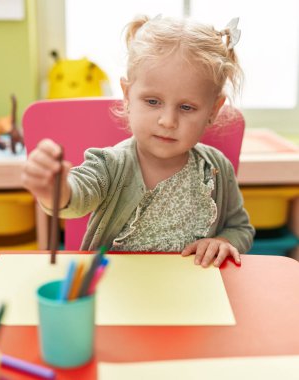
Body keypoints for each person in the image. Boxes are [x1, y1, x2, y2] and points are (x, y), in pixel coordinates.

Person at [22, 15, 254, 268]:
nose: (167, 120)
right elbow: (77, 198)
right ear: (127, 96)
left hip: (192, 293)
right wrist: (55, 190)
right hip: (117, 288)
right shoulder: (109, 163)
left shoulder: (217, 167)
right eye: (153, 101)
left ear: (213, 110)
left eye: (186, 107)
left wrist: (223, 240)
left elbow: (240, 228)